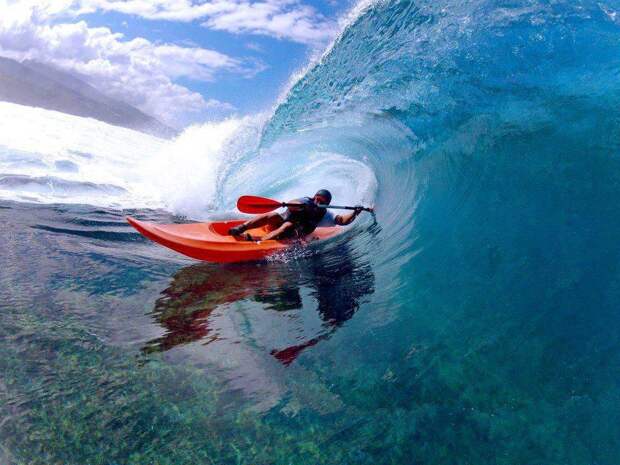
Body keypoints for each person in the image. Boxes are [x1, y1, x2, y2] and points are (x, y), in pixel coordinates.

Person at [228, 189, 368, 241]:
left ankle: (258, 242)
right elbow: (290, 204)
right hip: (277, 225)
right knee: (272, 215)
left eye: (321, 201)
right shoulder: (305, 201)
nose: (317, 201)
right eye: (316, 198)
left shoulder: (326, 215)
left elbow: (342, 221)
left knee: (287, 226)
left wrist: (355, 211)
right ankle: (241, 228)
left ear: (326, 203)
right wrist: (302, 206)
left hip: (291, 234)